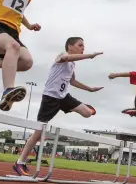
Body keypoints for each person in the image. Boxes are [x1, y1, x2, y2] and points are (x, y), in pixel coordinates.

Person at [13, 37, 103, 176]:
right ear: (70, 46)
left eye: (84, 46)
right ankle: (19, 162)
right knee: (37, 134)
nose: (83, 48)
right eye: (80, 45)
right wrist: (90, 56)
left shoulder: (73, 64)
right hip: (50, 98)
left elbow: (72, 81)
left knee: (87, 113)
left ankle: (79, 107)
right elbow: (66, 58)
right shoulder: (62, 56)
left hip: (63, 97)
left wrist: (90, 89)